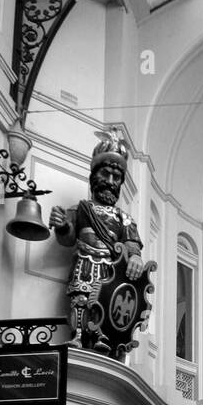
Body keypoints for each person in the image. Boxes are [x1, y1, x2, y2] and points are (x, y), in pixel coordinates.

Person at [50, 127, 154, 356]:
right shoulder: (80, 209)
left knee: (104, 304)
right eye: (105, 174)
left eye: (116, 177)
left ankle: (102, 336)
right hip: (85, 261)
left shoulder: (124, 218)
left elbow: (131, 245)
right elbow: (67, 239)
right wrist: (62, 225)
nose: (110, 181)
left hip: (110, 272)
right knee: (80, 298)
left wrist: (135, 257)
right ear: (94, 176)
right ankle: (77, 336)